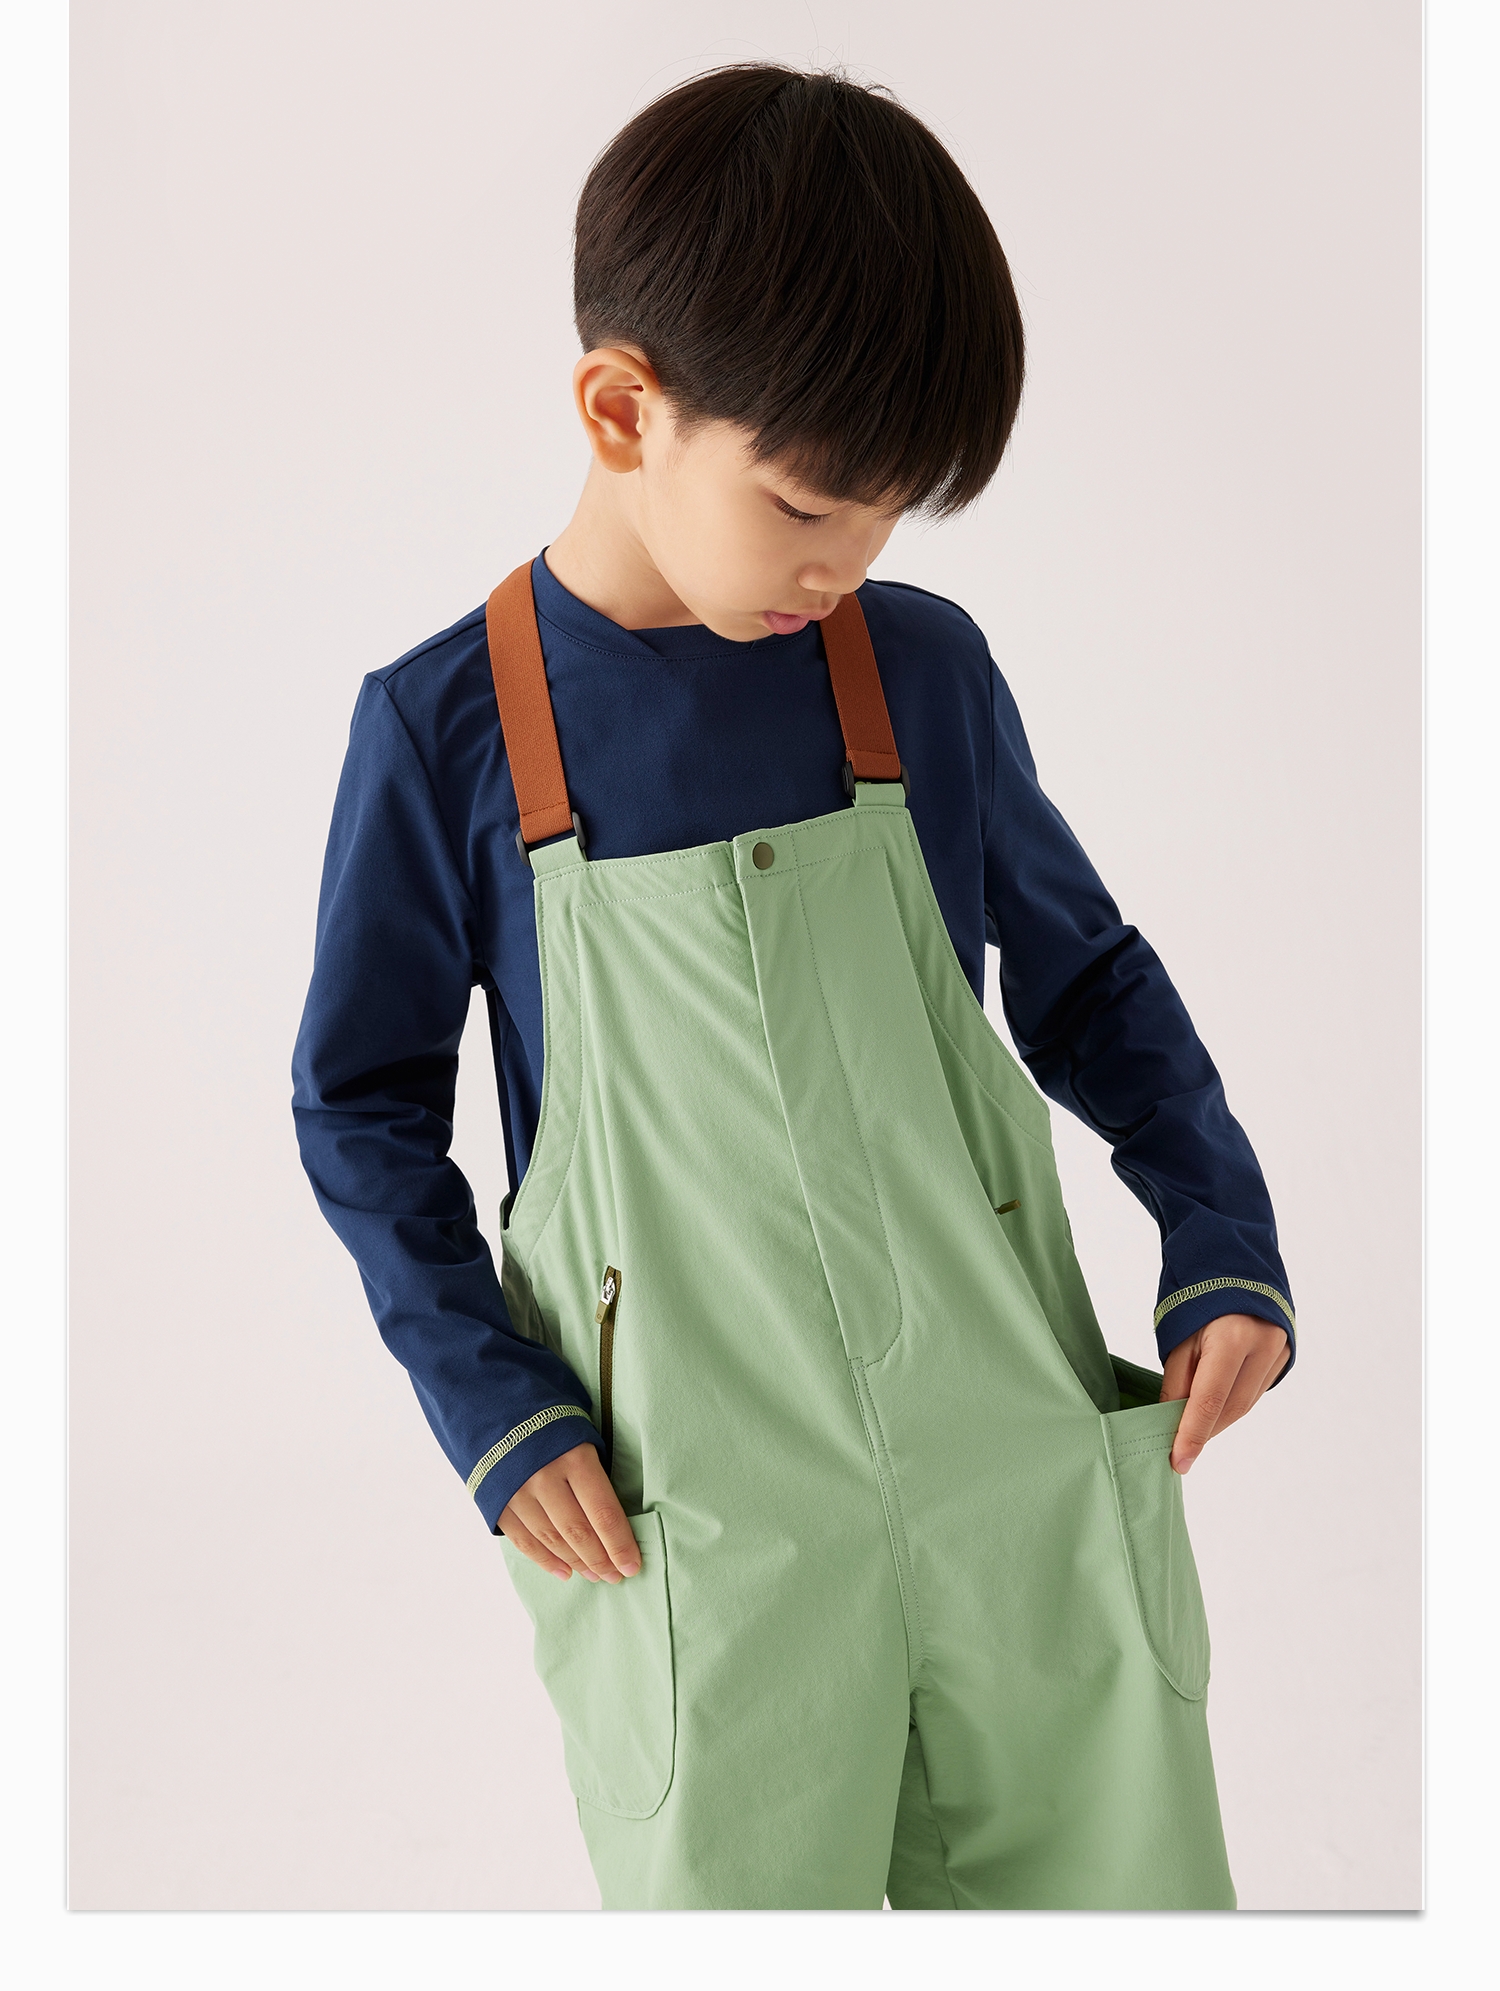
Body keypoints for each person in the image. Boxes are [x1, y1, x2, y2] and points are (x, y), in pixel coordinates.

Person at [291, 64, 1293, 1911]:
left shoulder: (919, 673)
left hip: (1018, 1490)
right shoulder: (447, 732)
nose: (846, 568)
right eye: (808, 504)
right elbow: (360, 1109)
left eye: (891, 519)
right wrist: (493, 1406)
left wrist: (1221, 1232)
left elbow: (1090, 980)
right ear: (623, 409)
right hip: (703, 1528)